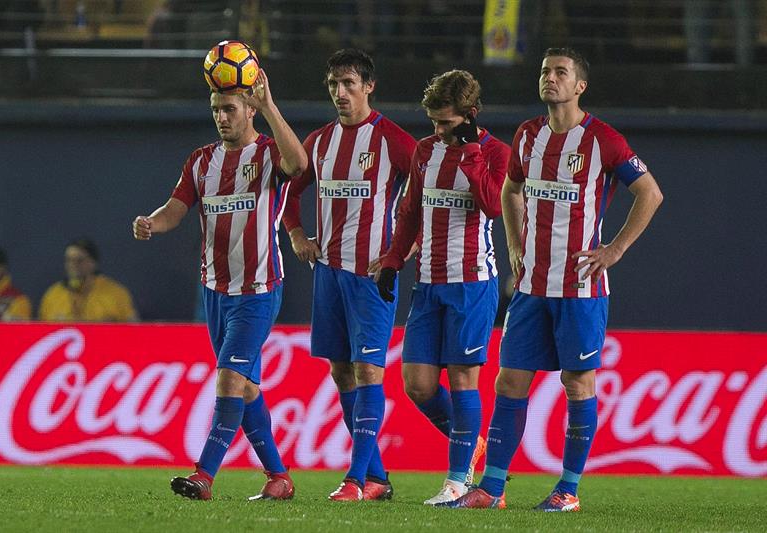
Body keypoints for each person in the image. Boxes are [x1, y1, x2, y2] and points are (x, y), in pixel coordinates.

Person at [444, 47, 663, 511]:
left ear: (579, 85)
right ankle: (493, 488)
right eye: (545, 71)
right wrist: (515, 245)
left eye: (560, 73)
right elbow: (510, 189)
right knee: (509, 382)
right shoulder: (527, 135)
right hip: (531, 288)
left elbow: (650, 192)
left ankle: (568, 490)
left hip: (581, 289)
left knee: (577, 384)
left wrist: (615, 249)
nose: (550, 79)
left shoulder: (603, 139)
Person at [132, 69, 307, 501]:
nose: (222, 118)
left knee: (229, 380)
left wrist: (269, 105)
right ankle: (279, 477)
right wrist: (153, 222)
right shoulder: (200, 161)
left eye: (229, 109)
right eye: (216, 110)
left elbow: (300, 164)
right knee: (245, 387)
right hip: (215, 291)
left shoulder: (268, 154)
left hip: (258, 289)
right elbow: (177, 207)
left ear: (249, 109)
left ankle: (203, 476)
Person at [282, 48, 416, 501]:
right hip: (330, 273)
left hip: (371, 275)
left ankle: (356, 480)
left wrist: (402, 251)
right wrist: (298, 235)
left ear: (369, 86)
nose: (340, 93)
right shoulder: (319, 142)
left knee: (368, 371)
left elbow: (425, 200)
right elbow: (289, 195)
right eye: (333, 85)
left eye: (349, 84)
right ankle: (375, 477)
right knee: (342, 372)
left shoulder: (393, 140)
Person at [373, 70, 510, 505]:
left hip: (472, 282)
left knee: (464, 380)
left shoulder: (496, 153)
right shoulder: (425, 151)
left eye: (446, 123)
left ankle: (458, 479)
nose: (437, 131)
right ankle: (474, 447)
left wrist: (470, 154)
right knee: (418, 384)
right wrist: (394, 260)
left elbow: (493, 205)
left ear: (470, 116)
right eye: (433, 122)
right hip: (428, 283)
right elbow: (411, 210)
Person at [39, 238, 137, 322]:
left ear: (93, 263)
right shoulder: (53, 294)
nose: (73, 265)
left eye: (79, 260)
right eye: (69, 260)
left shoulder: (116, 293)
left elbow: (134, 327)